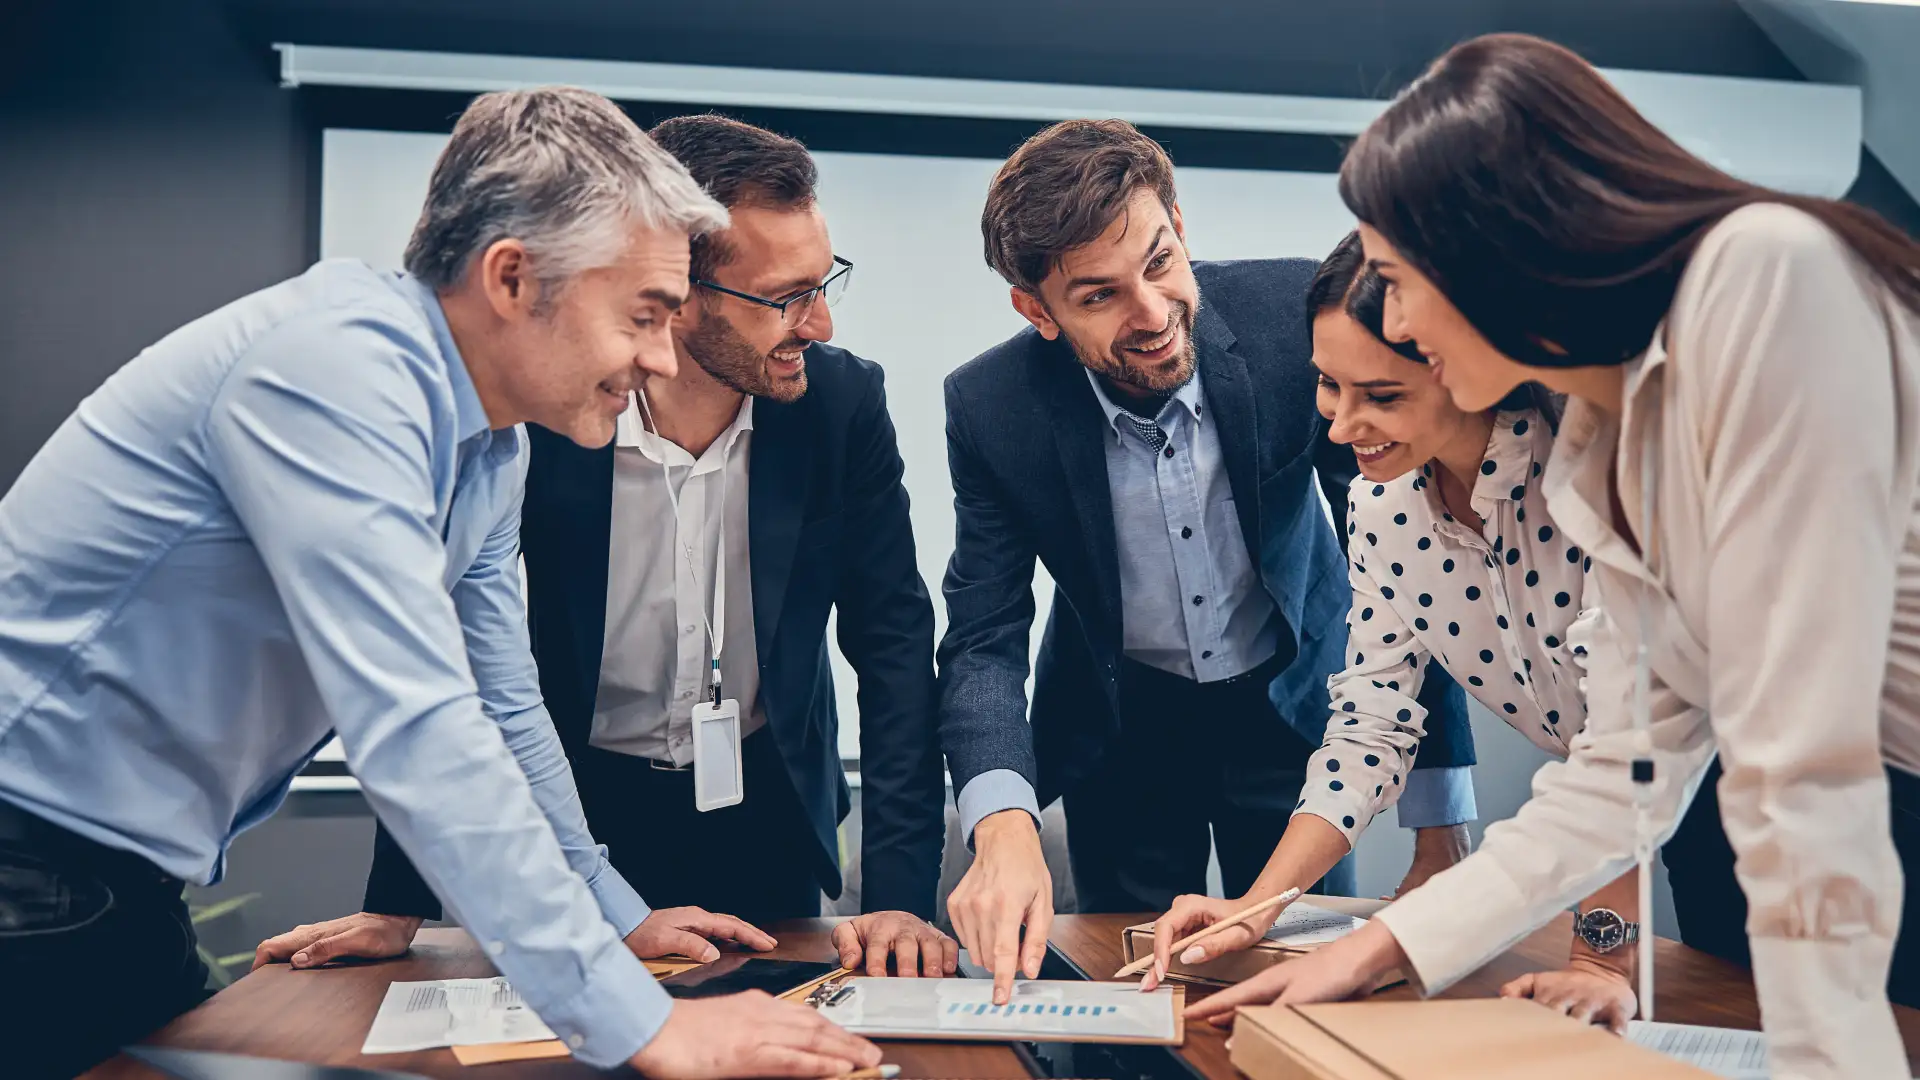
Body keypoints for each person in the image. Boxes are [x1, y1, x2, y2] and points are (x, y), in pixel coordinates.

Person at [0, 88, 881, 1080]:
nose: (655, 353)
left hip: (118, 879)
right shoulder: (334, 373)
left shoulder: (486, 443)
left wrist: (614, 916)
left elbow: (502, 706)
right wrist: (648, 1027)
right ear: (512, 277)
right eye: (641, 314)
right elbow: (416, 724)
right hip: (27, 867)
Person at [1190, 33, 1920, 1079]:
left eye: (1397, 280)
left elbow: (1802, 766)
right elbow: (1620, 770)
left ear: (1489, 245)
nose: (1392, 320)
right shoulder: (1596, 453)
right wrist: (1375, 949)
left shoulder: (1766, 277)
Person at [255, 114, 952, 980]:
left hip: (766, 806)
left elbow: (892, 647)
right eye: (785, 298)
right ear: (676, 291)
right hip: (576, 813)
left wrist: (899, 896)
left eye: (825, 283)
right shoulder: (553, 409)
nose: (820, 326)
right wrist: (398, 902)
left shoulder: (839, 405)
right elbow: (462, 663)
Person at [936, 119, 1478, 1003]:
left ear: (1181, 232)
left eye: (1157, 262)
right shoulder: (992, 407)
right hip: (1124, 733)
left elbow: (1419, 551)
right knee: (1131, 1000)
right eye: (1098, 296)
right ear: (1037, 311)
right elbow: (983, 636)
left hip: (1296, 706)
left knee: (1304, 991)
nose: (1150, 314)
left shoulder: (1288, 323)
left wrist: (1440, 818)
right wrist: (1001, 822)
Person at [1147, 232, 1655, 1032]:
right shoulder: (1382, 508)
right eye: (1327, 386)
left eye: (1381, 396)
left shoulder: (1596, 472)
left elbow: (1629, 747)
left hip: (1733, 786)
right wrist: (1259, 905)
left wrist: (1600, 956)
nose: (1343, 427)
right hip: (1612, 806)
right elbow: (1369, 727)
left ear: (1465, 366)